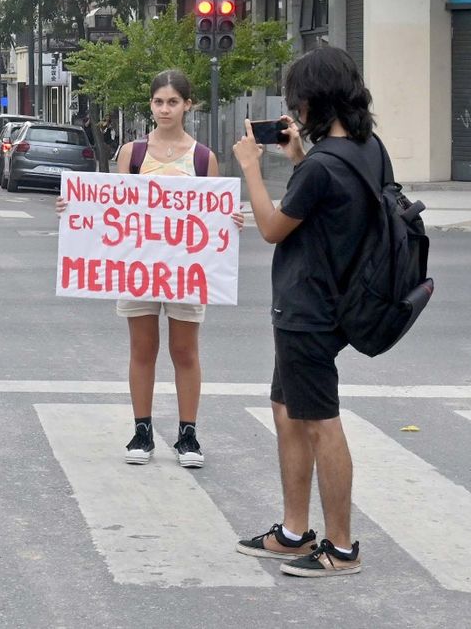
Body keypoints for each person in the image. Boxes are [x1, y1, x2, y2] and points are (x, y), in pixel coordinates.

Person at [232, 47, 378, 577]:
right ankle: (294, 532)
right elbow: (330, 210)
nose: (295, 110)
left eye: (299, 101)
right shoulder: (365, 149)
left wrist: (251, 168)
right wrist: (296, 159)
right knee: (287, 412)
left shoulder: (322, 166)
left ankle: (341, 548)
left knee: (319, 423)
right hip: (333, 297)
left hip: (309, 306)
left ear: (316, 101)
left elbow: (273, 228)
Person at [57, 70, 241, 468]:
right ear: (151, 104)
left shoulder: (203, 158)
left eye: (173, 101)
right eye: (159, 101)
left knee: (184, 350)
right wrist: (75, 209)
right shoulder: (132, 154)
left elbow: (216, 213)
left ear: (188, 105)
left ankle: (187, 434)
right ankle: (142, 431)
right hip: (138, 269)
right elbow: (111, 209)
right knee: (142, 348)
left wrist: (231, 219)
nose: (165, 109)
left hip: (187, 271)